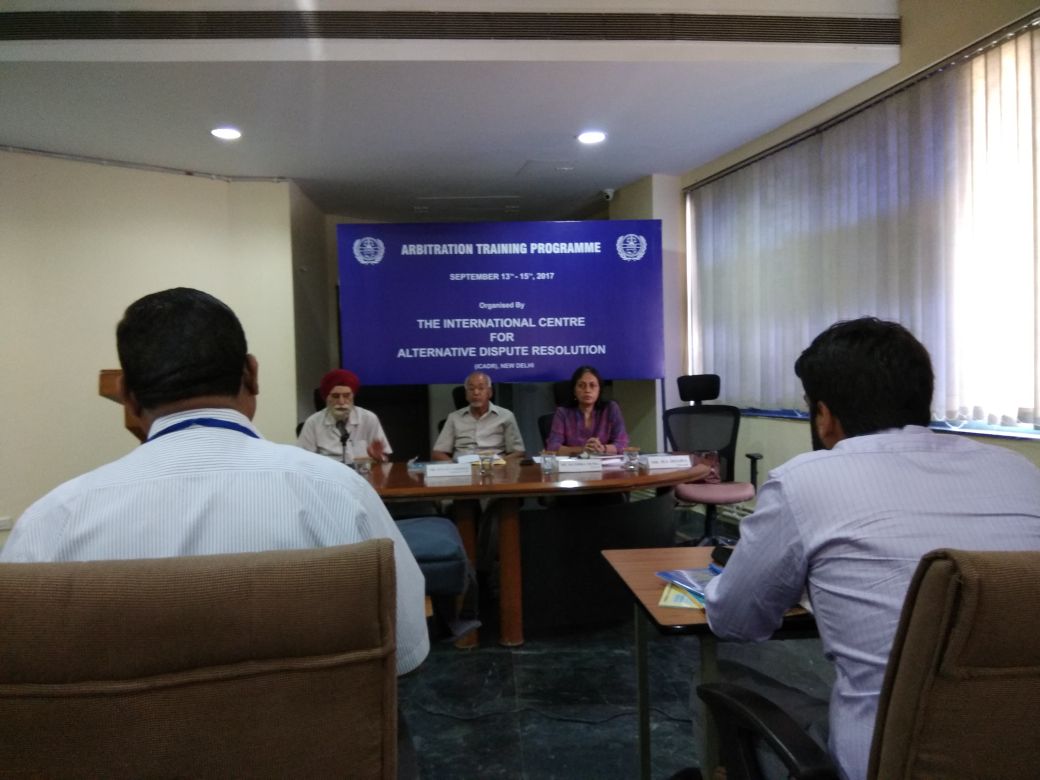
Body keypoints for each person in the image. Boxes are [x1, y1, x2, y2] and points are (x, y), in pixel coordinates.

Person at [0, 287, 429, 676]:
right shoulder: (339, 494)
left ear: (127, 394)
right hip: (316, 739)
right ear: (252, 374)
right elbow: (407, 648)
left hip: (123, 740)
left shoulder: (49, 524)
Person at [703, 317, 1040, 780]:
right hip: (1023, 750)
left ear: (824, 416)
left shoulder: (803, 481)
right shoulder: (1019, 472)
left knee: (722, 670)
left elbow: (735, 620)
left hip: (887, 762)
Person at [297, 368, 391, 464]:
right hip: (327, 472)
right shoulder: (313, 422)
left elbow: (385, 460)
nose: (341, 402)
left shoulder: (369, 418)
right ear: (327, 398)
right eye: (335, 396)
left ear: (353, 396)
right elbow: (302, 460)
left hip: (360, 472)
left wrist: (379, 457)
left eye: (346, 396)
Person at [431, 371, 525, 460]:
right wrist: (455, 467)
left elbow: (518, 452)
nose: (476, 393)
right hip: (463, 467)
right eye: (471, 389)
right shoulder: (454, 417)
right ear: (466, 394)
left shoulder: (506, 416)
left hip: (495, 467)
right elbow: (438, 453)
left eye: (481, 388)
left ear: (490, 392)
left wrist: (501, 463)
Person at [545, 365, 628, 455]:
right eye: (581, 386)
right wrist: (582, 450)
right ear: (574, 390)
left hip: (603, 462)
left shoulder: (611, 408)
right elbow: (552, 447)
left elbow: (622, 444)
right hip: (574, 463)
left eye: (592, 385)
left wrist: (602, 448)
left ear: (599, 390)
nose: (587, 390)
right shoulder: (562, 413)